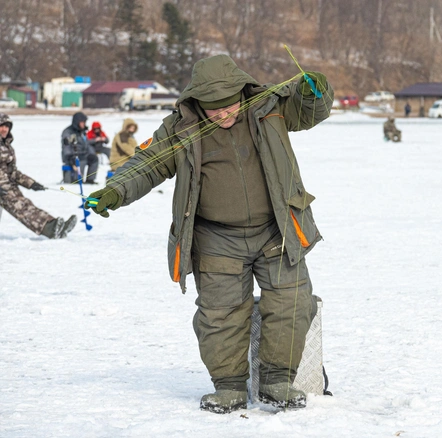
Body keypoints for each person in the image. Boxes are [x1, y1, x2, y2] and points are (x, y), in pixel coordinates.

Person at [84, 55, 334, 414]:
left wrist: (317, 90)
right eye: (212, 109)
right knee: (221, 313)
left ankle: (277, 380)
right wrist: (116, 190)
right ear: (196, 101)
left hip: (276, 230)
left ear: (242, 90)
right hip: (217, 238)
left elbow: (311, 110)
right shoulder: (180, 127)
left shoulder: (271, 106)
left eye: (229, 105)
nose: (222, 114)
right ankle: (229, 386)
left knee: (292, 302)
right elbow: (148, 163)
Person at [0, 113, 76, 238]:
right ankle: (49, 229)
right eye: (1, 126)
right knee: (20, 208)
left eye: (7, 127)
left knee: (26, 204)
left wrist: (31, 183)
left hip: (9, 186)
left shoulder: (8, 148)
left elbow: (13, 172)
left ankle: (55, 225)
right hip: (2, 189)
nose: (4, 129)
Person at [61, 112, 99, 184]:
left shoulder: (82, 132)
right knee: (82, 159)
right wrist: (69, 157)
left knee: (94, 159)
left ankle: (90, 179)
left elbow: (87, 144)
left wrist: (92, 153)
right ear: (76, 122)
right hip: (72, 156)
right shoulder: (68, 132)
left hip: (83, 154)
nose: (84, 124)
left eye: (84, 122)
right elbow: (66, 146)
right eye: (82, 122)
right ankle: (77, 179)